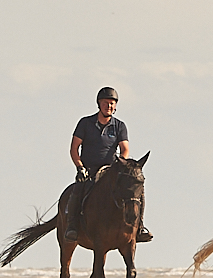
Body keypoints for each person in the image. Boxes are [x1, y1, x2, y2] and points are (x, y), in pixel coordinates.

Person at [66, 87, 153, 242]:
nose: (109, 106)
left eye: (112, 103)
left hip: (111, 170)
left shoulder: (119, 126)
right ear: (99, 104)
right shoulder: (85, 123)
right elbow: (74, 148)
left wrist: (121, 165)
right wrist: (80, 167)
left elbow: (124, 149)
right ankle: (72, 226)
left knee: (137, 189)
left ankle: (140, 227)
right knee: (78, 189)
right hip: (89, 169)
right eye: (106, 103)